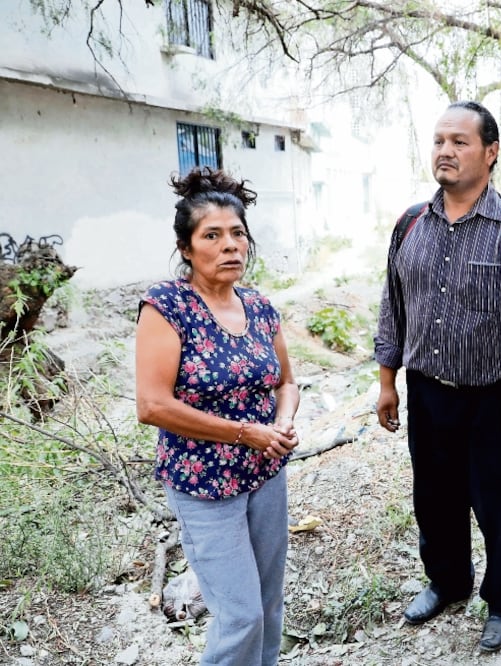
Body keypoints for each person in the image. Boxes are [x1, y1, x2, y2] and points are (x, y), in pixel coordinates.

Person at [374, 100, 501, 653]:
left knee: (498, 500)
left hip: (495, 393)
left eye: (460, 141)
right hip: (427, 391)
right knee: (435, 497)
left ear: (490, 152)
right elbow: (393, 307)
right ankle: (448, 582)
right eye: (439, 141)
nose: (445, 151)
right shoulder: (409, 226)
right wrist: (386, 381)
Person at [135, 167, 300, 666]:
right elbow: (153, 405)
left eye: (238, 234)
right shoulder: (167, 306)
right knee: (241, 616)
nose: (230, 246)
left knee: (269, 606)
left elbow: (286, 382)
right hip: (203, 485)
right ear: (187, 248)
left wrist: (285, 420)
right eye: (213, 235)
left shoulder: (260, 306)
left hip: (266, 474)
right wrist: (244, 432)